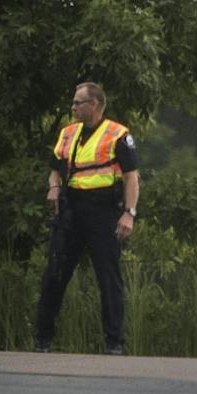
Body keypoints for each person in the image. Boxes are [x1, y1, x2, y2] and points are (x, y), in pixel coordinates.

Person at [33, 81, 140, 354]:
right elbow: (55, 168)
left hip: (103, 211)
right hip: (72, 210)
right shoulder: (68, 133)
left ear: (93, 105)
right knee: (55, 272)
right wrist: (54, 187)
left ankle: (114, 342)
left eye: (77, 103)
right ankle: (42, 338)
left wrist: (129, 213)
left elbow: (132, 177)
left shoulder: (118, 134)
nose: (72, 108)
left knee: (108, 276)